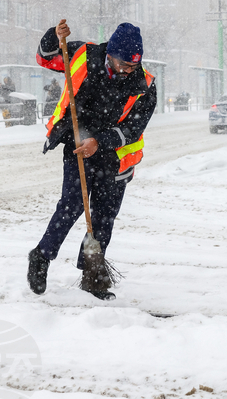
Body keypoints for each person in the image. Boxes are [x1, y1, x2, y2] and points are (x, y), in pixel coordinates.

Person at [27, 19, 156, 300]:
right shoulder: (84, 55)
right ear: (109, 52)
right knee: (71, 205)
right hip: (77, 142)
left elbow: (134, 128)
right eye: (122, 63)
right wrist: (53, 36)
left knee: (104, 216)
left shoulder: (145, 85)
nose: (125, 71)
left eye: (132, 66)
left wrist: (100, 141)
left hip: (114, 156)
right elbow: (45, 58)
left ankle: (92, 276)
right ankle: (41, 256)